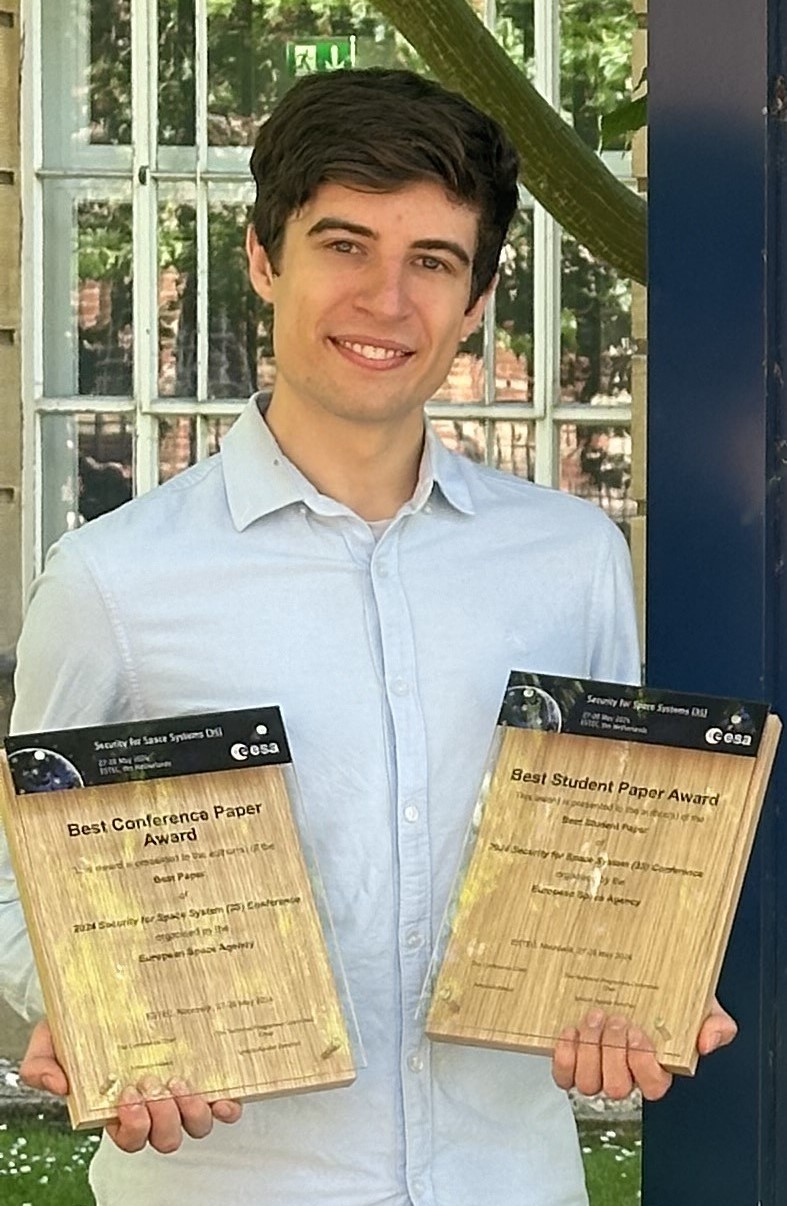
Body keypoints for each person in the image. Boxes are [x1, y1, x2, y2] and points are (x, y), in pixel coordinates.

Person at [0, 68, 735, 1205]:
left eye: (431, 261)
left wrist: (646, 979)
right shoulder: (113, 579)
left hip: (512, 1183)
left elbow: (608, 859)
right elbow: (17, 876)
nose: (386, 301)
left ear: (477, 297)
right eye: (344, 244)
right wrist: (77, 1004)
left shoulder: (571, 558)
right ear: (263, 258)